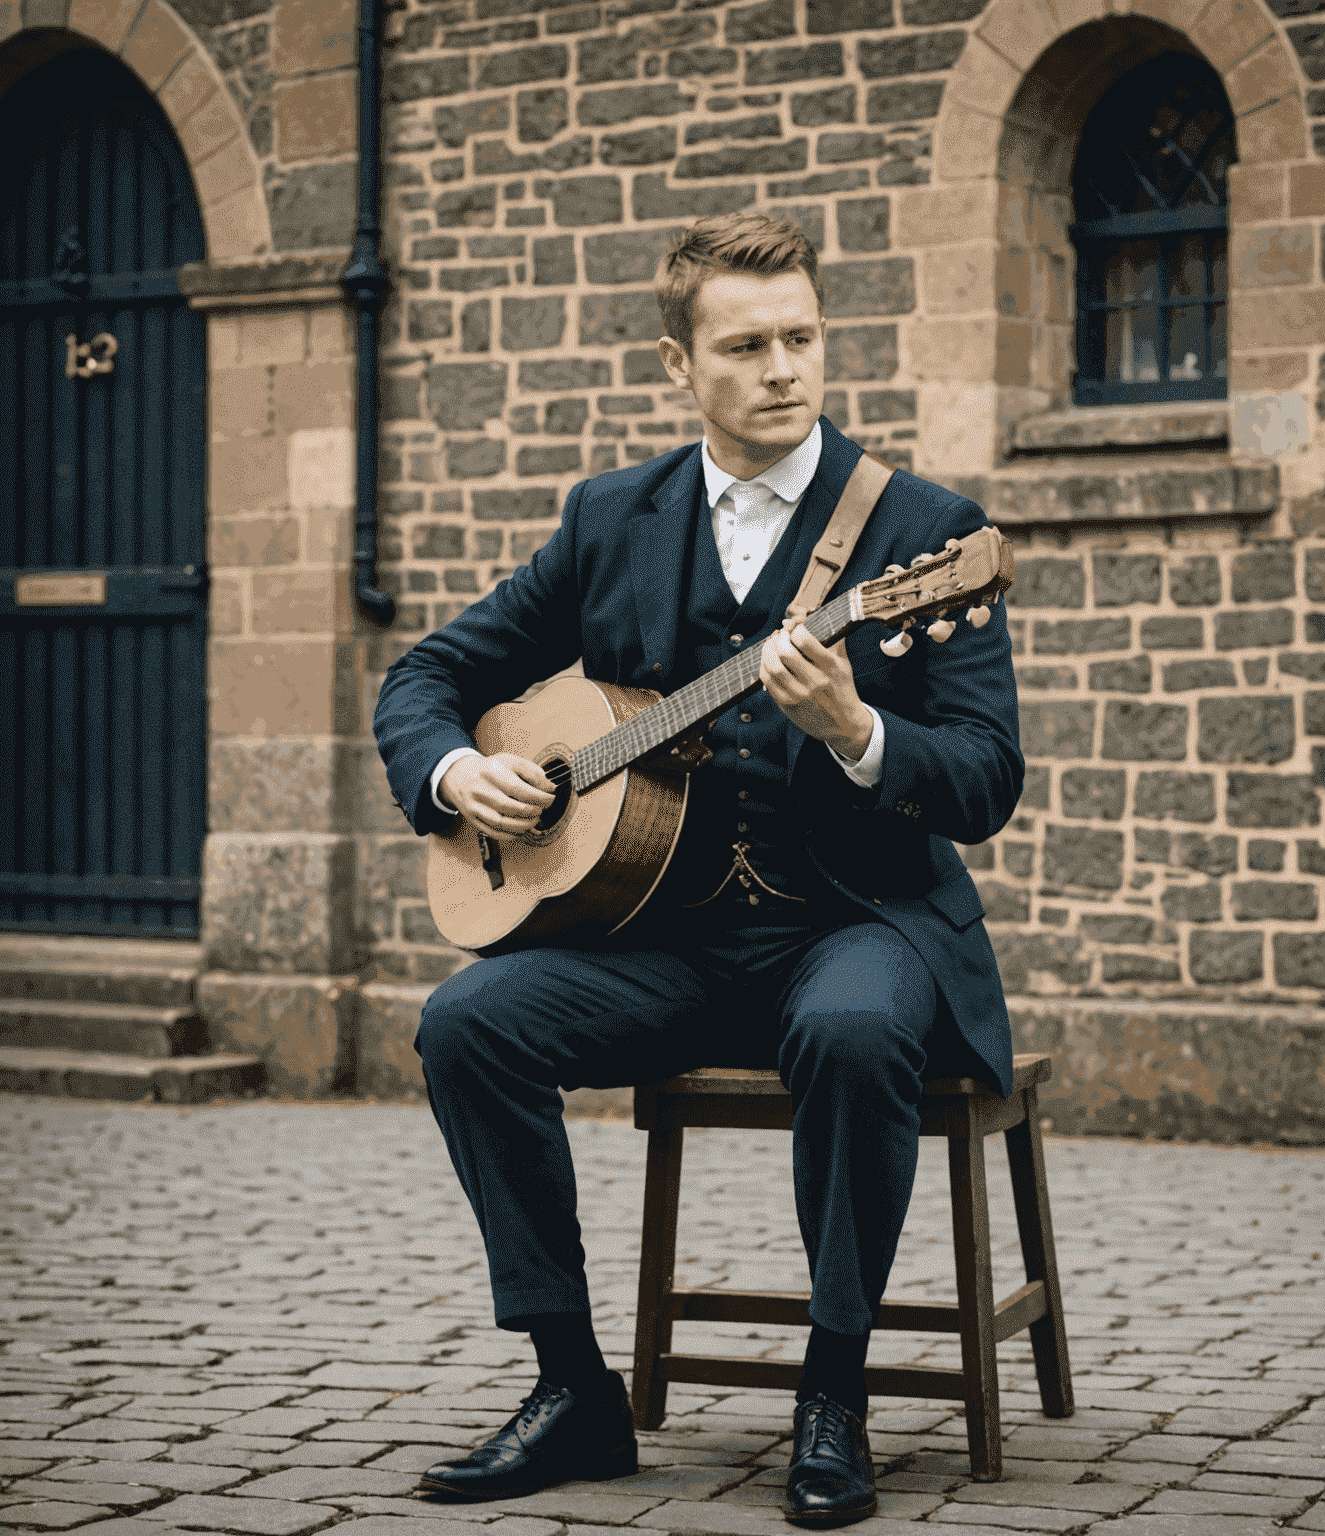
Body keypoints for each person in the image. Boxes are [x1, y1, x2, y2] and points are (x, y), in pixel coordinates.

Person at [372, 210, 1025, 1525]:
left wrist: (857, 730)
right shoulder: (612, 519)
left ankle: (831, 1391)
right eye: (747, 345)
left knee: (848, 1030)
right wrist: (457, 774)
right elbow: (428, 673)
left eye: (802, 338)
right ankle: (573, 1387)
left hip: (857, 924)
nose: (783, 367)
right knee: (467, 1026)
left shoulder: (924, 535)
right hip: (657, 944)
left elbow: (986, 778)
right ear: (682, 364)